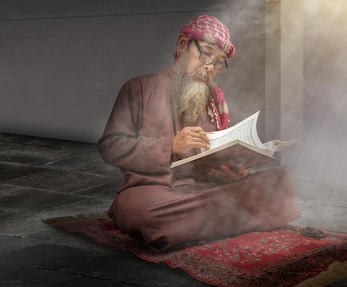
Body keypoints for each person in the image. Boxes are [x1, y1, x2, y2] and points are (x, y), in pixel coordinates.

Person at [97, 14, 300, 251]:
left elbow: (215, 155)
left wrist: (232, 171)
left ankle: (191, 226)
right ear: (183, 44)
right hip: (155, 192)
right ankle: (225, 221)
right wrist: (169, 146)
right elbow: (110, 145)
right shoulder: (139, 87)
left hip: (205, 189)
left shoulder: (216, 100)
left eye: (218, 61)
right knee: (141, 213)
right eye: (205, 53)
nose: (209, 66)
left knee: (278, 181)